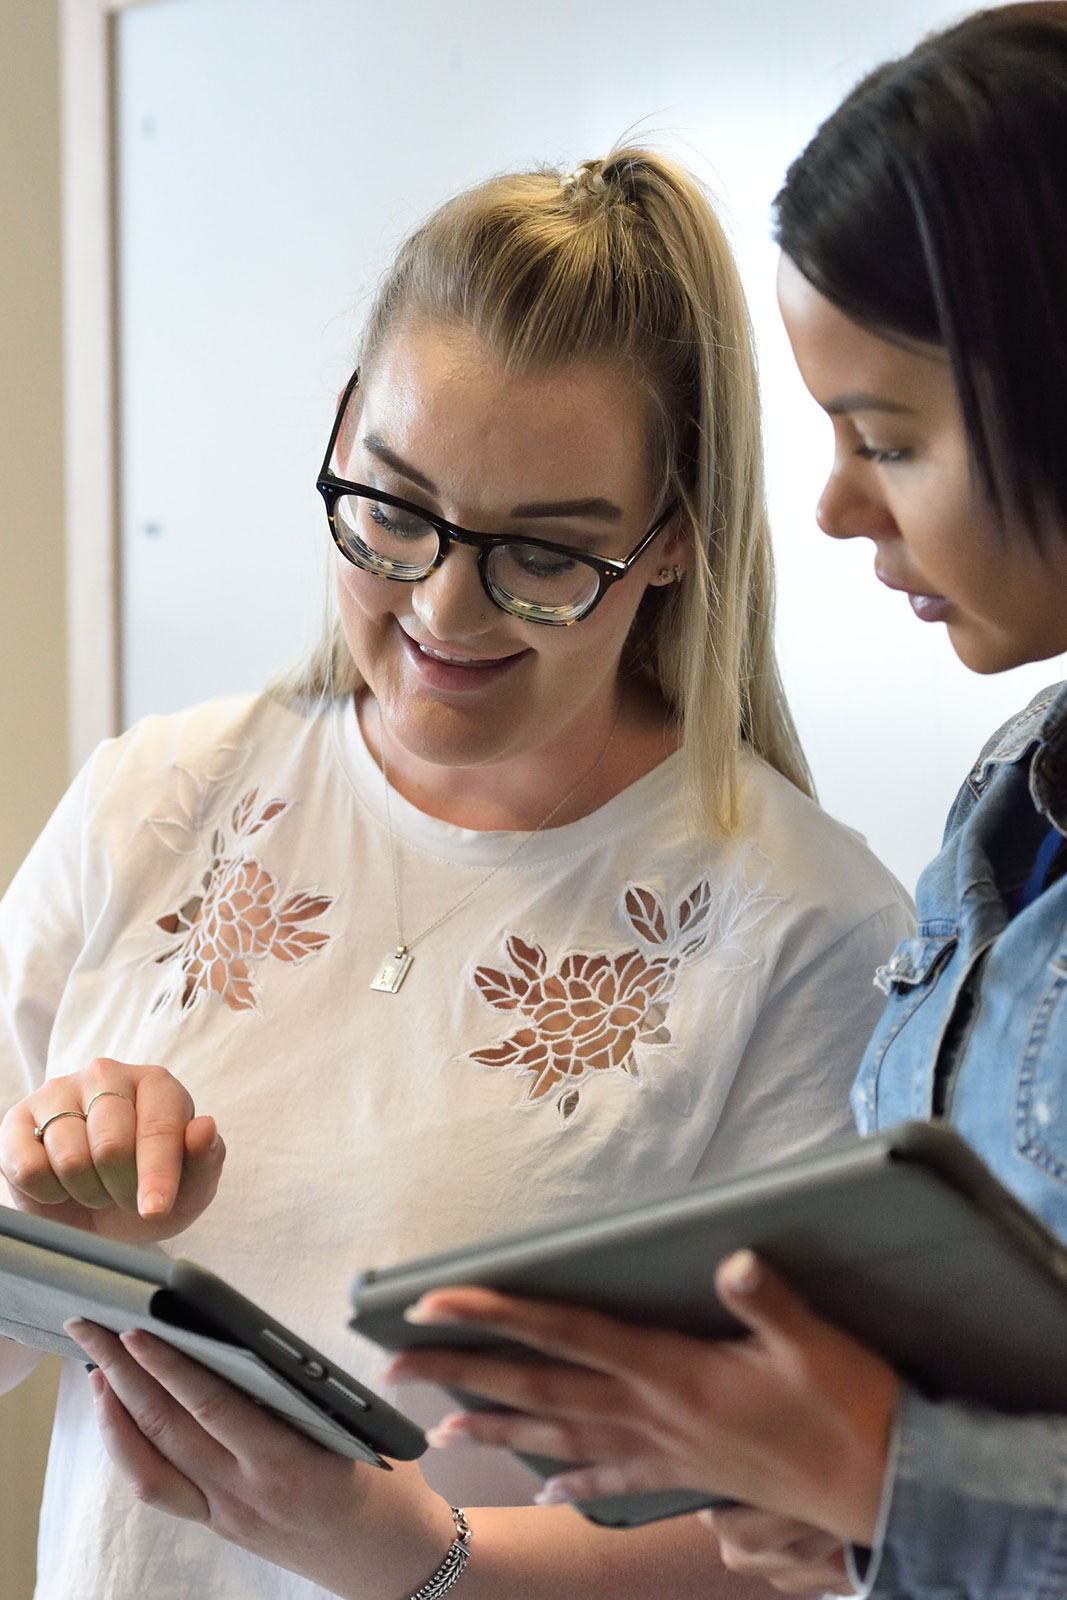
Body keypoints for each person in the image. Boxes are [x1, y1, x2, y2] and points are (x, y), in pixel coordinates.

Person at [0, 149, 911, 1600]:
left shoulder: (807, 930)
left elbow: (812, 1535)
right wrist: (48, 1238)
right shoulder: (154, 804)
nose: (441, 607)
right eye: (396, 508)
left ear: (673, 538)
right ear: (345, 427)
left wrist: (421, 1557)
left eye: (543, 555)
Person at [318, 7, 1067, 1598]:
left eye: (893, 438)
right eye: (395, 507)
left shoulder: (804, 913)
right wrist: (842, 1513)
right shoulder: (1007, 806)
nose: (840, 502)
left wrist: (895, 1479)